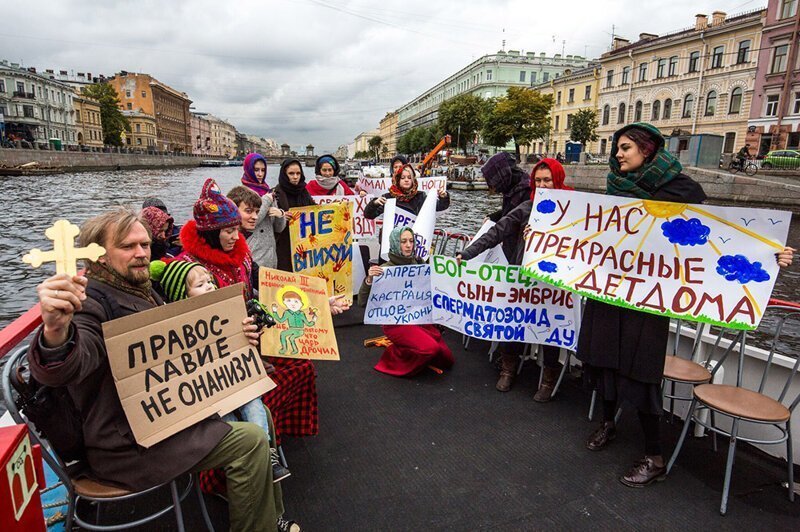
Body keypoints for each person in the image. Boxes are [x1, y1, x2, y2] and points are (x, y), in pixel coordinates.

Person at [27, 209, 299, 531]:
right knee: (251, 440)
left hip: (167, 417)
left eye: (144, 244)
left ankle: (270, 516)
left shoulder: (139, 289)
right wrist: (56, 332)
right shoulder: (90, 305)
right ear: (98, 256)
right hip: (127, 443)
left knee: (261, 415)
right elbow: (68, 364)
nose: (142, 253)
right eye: (128, 247)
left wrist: (238, 339)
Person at [579, 122, 795, 488]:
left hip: (648, 298)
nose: (618, 154)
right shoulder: (613, 188)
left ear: (647, 150)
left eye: (626, 147)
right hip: (609, 290)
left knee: (641, 371)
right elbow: (586, 230)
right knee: (602, 359)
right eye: (617, 147)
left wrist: (771, 253)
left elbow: (718, 237)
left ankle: (654, 455)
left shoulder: (682, 191)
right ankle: (608, 422)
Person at [150, 259, 291, 483]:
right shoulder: (175, 326)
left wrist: (251, 331)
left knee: (254, 404)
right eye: (199, 285)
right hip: (208, 391)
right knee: (225, 419)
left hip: (236, 378)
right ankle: (246, 458)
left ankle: (266, 454)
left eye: (209, 282)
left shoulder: (227, 311)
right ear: (181, 294)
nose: (209, 286)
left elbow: (244, 344)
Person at [457, 158, 572, 400]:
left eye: (547, 180)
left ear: (558, 180)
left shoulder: (576, 210)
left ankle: (548, 381)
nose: (542, 186)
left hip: (555, 283)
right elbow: (498, 231)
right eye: (538, 180)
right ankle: (508, 370)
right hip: (523, 277)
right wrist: (467, 254)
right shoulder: (528, 207)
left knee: (550, 329)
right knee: (515, 325)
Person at [358, 226, 454, 376]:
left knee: (447, 359)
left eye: (411, 241)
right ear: (396, 243)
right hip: (396, 322)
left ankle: (408, 348)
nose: (409, 245)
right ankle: (393, 356)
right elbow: (362, 302)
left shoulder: (419, 264)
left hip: (417, 318)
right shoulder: (384, 270)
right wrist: (369, 279)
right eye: (403, 241)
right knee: (430, 349)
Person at [227, 185, 286, 270]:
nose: (255, 217)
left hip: (267, 266)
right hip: (257, 265)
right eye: (248, 211)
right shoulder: (229, 241)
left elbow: (279, 228)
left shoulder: (270, 196)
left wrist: (280, 214)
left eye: (257, 212)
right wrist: (266, 200)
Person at [363, 163, 450, 220]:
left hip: (413, 241)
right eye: (403, 178)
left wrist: (444, 197)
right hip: (391, 242)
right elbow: (369, 215)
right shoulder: (388, 197)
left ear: (413, 180)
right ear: (397, 180)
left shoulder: (420, 196)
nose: (406, 180)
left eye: (409, 177)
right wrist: (375, 203)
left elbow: (440, 207)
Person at [273, 158, 315, 272]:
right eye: (291, 173)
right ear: (284, 174)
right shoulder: (275, 194)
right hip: (284, 247)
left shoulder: (304, 192)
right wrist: (281, 216)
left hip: (303, 245)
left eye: (298, 173)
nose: (295, 177)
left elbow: (315, 211)